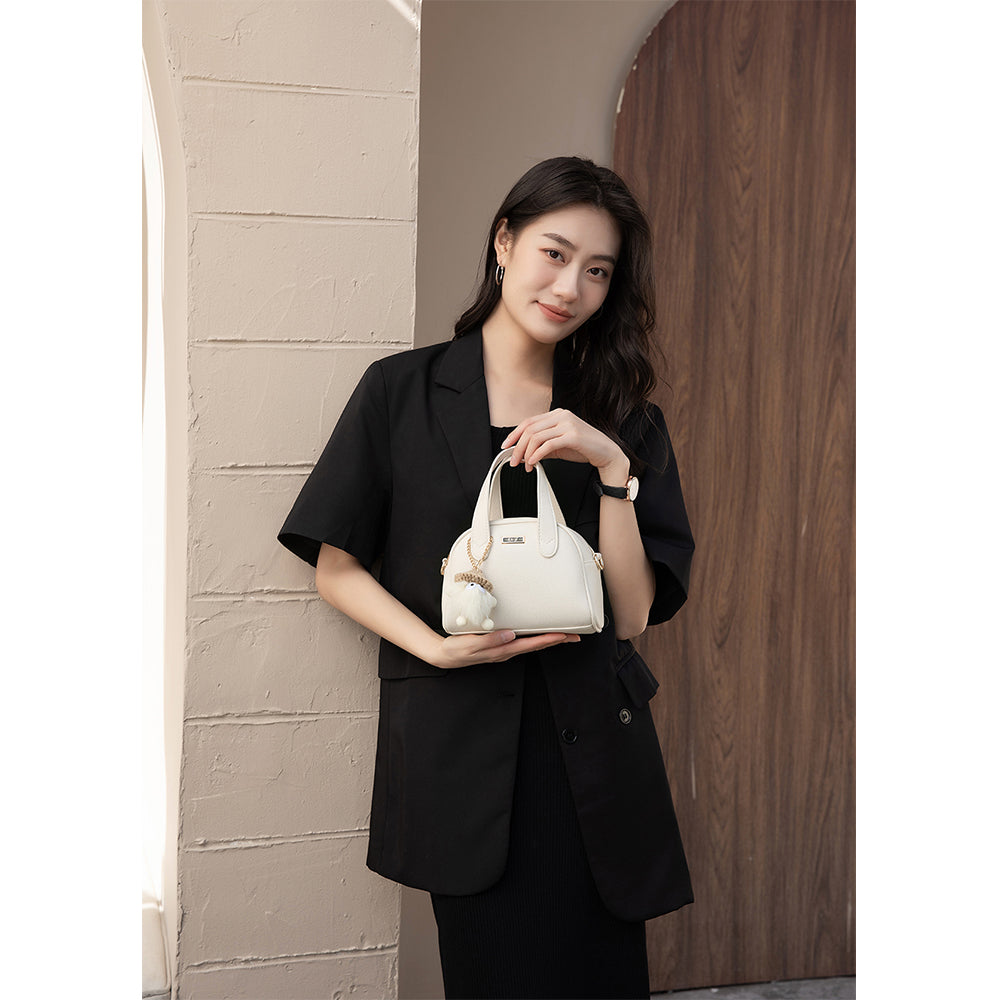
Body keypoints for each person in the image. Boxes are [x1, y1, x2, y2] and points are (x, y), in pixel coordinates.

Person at [278, 156, 695, 1000]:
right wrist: (434, 649)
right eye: (554, 253)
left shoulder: (623, 417)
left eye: (598, 271)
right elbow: (337, 567)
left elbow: (631, 615)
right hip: (461, 751)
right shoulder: (402, 391)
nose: (570, 286)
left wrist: (612, 467)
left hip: (594, 755)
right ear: (505, 242)